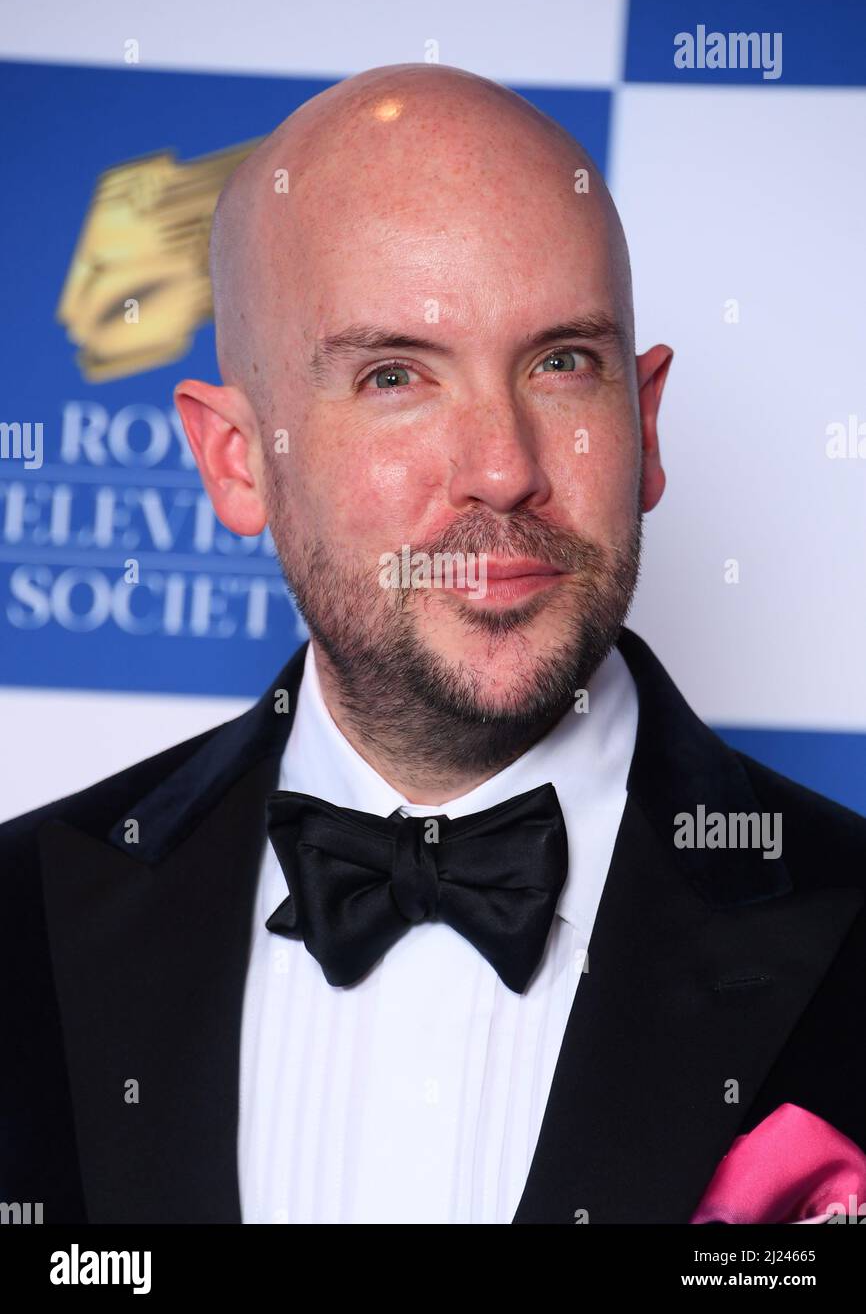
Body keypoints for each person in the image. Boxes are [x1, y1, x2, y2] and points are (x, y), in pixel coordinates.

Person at [2, 64, 864, 1225]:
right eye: (394, 375)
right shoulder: (21, 927)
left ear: (643, 424)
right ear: (237, 461)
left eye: (562, 361)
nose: (502, 465)